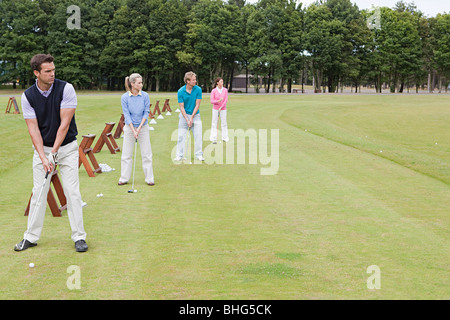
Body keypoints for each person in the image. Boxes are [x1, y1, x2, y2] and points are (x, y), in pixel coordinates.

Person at [15, 53, 88, 252]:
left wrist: (53, 154)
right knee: (39, 191)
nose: (52, 74)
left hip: (66, 148)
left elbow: (64, 125)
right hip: (42, 149)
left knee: (72, 192)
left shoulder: (66, 88)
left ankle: (79, 237)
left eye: (53, 70)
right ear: (36, 73)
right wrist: (43, 156)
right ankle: (30, 237)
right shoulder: (27, 96)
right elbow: (33, 129)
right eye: (47, 71)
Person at [118, 73, 155, 186]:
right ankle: (124, 178)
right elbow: (126, 115)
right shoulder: (125, 97)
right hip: (129, 128)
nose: (141, 84)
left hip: (143, 127)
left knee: (146, 154)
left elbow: (146, 112)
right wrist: (133, 130)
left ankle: (149, 178)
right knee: (126, 155)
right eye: (139, 83)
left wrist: (138, 128)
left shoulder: (145, 96)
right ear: (132, 84)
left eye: (141, 82)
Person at [174, 71, 204, 161]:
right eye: (193, 80)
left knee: (198, 136)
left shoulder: (198, 89)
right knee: (181, 136)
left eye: (195, 79)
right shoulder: (180, 91)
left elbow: (197, 105)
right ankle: (179, 155)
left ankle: (199, 154)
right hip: (184, 116)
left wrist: (191, 117)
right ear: (188, 81)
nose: (195, 81)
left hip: (196, 115)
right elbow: (181, 107)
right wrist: (187, 119)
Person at [209, 77, 229, 143]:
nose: (222, 83)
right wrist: (218, 101)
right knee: (214, 123)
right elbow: (212, 101)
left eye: (222, 81)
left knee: (224, 123)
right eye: (221, 81)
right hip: (215, 109)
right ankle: (213, 137)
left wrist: (221, 107)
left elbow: (226, 100)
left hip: (223, 109)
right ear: (217, 83)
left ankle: (225, 137)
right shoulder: (214, 91)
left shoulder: (225, 90)